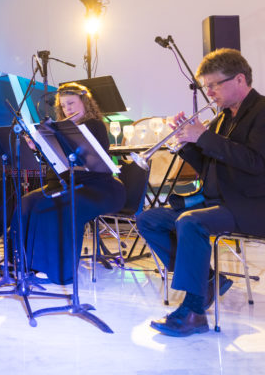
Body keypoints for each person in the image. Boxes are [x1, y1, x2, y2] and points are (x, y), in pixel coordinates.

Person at [137, 48, 265, 337]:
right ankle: (207, 280)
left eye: (214, 85)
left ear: (240, 79)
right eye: (206, 86)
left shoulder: (262, 112)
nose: (209, 93)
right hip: (217, 203)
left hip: (250, 205)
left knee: (190, 222)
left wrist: (204, 136)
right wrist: (186, 143)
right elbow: (209, 167)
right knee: (149, 220)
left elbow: (256, 162)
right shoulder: (221, 119)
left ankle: (194, 311)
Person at [14, 82, 125, 284]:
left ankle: (53, 269)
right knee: (27, 202)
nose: (68, 109)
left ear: (85, 102)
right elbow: (58, 164)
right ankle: (23, 261)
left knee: (53, 206)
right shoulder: (60, 129)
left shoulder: (94, 125)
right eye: (64, 106)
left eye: (71, 103)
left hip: (99, 187)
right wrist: (39, 147)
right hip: (69, 185)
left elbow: (91, 162)